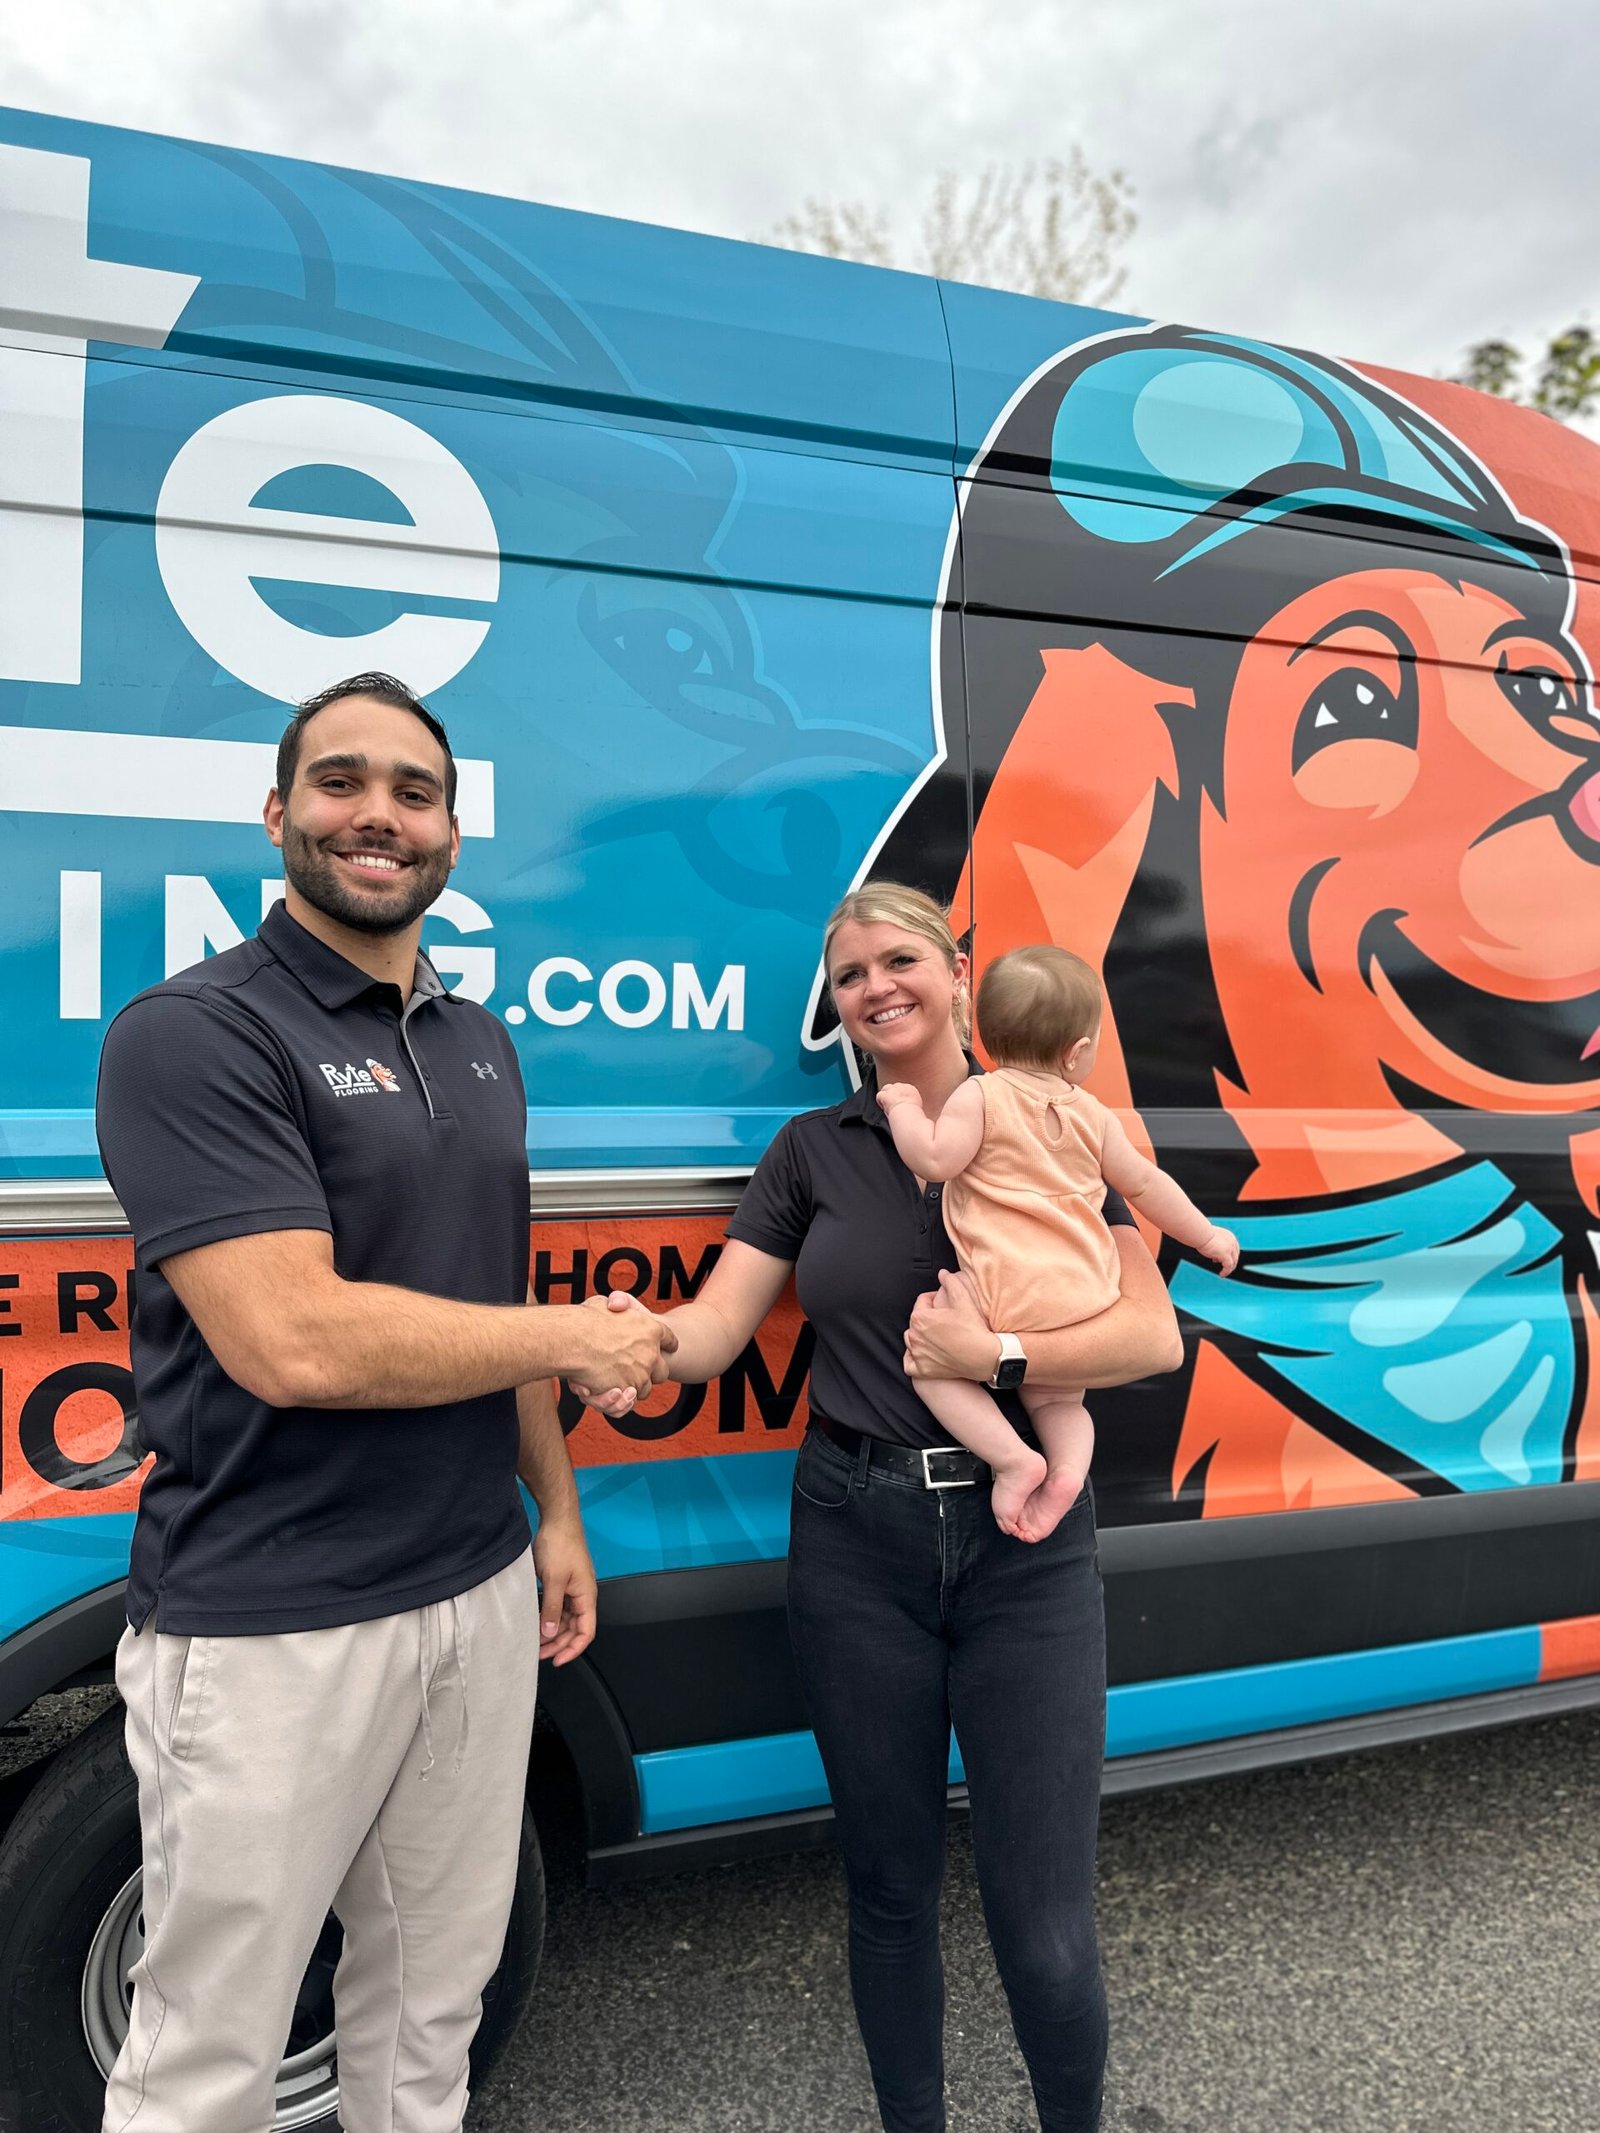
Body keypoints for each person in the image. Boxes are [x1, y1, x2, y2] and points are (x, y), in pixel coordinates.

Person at [94, 671, 670, 2133]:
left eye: (415, 793)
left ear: (453, 836)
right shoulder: (194, 1032)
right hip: (273, 1626)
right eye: (342, 783)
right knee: (207, 2055)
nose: (380, 816)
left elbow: (492, 1298)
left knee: (431, 2013)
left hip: (474, 1594)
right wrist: (575, 1339)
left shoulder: (478, 1039)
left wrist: (555, 1512)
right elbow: (296, 1343)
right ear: (279, 813)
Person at [579, 881, 1183, 2133]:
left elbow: (1148, 1338)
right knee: (891, 1890)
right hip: (856, 1538)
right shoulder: (815, 1150)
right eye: (850, 976)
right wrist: (637, 1348)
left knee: (1045, 1915)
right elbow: (716, 1325)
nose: (876, 989)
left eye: (898, 959)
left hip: (1027, 1552)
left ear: (960, 969)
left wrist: (996, 1369)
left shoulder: (1063, 1116)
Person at [877, 943, 1237, 1542]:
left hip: (1002, 1293)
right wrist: (1206, 1235)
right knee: (1061, 1406)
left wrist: (904, 1107)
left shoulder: (982, 1096)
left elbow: (934, 1159)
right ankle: (1067, 1471)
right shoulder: (1093, 1115)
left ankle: (1013, 1460)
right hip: (1083, 1297)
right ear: (1079, 1052)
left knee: (932, 1364)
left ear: (986, 1037)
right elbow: (1147, 1184)